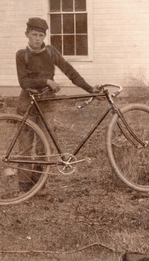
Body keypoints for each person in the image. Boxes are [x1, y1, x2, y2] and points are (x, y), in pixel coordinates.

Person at [15, 17, 98, 192]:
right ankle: (24, 187)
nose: (37, 39)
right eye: (34, 35)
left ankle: (39, 185)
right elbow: (23, 82)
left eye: (41, 35)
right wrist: (46, 81)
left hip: (47, 103)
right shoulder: (21, 55)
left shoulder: (51, 52)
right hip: (27, 104)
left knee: (45, 144)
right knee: (25, 145)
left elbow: (70, 71)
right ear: (27, 35)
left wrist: (89, 89)